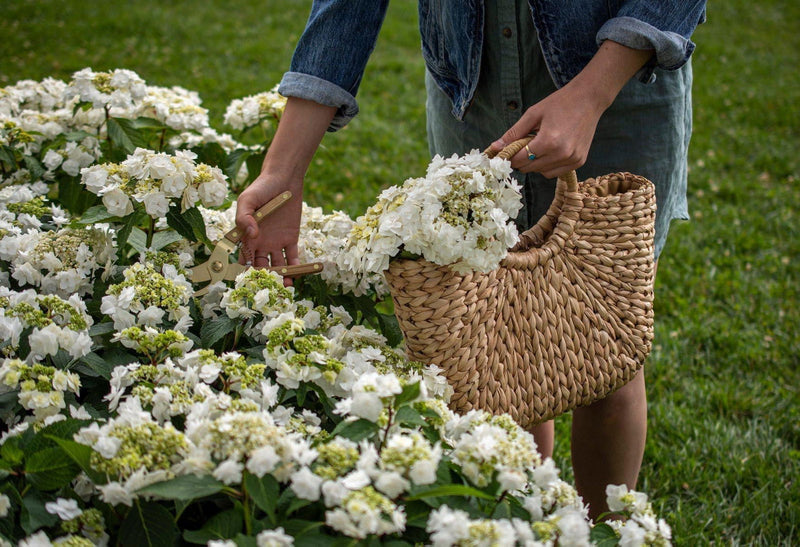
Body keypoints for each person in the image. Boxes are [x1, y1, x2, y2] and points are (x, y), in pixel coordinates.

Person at [235, 0, 707, 519]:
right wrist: (284, 169)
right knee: (494, 344)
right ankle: (514, 521)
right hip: (471, 83)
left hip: (618, 76)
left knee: (604, 342)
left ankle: (609, 530)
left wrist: (592, 93)